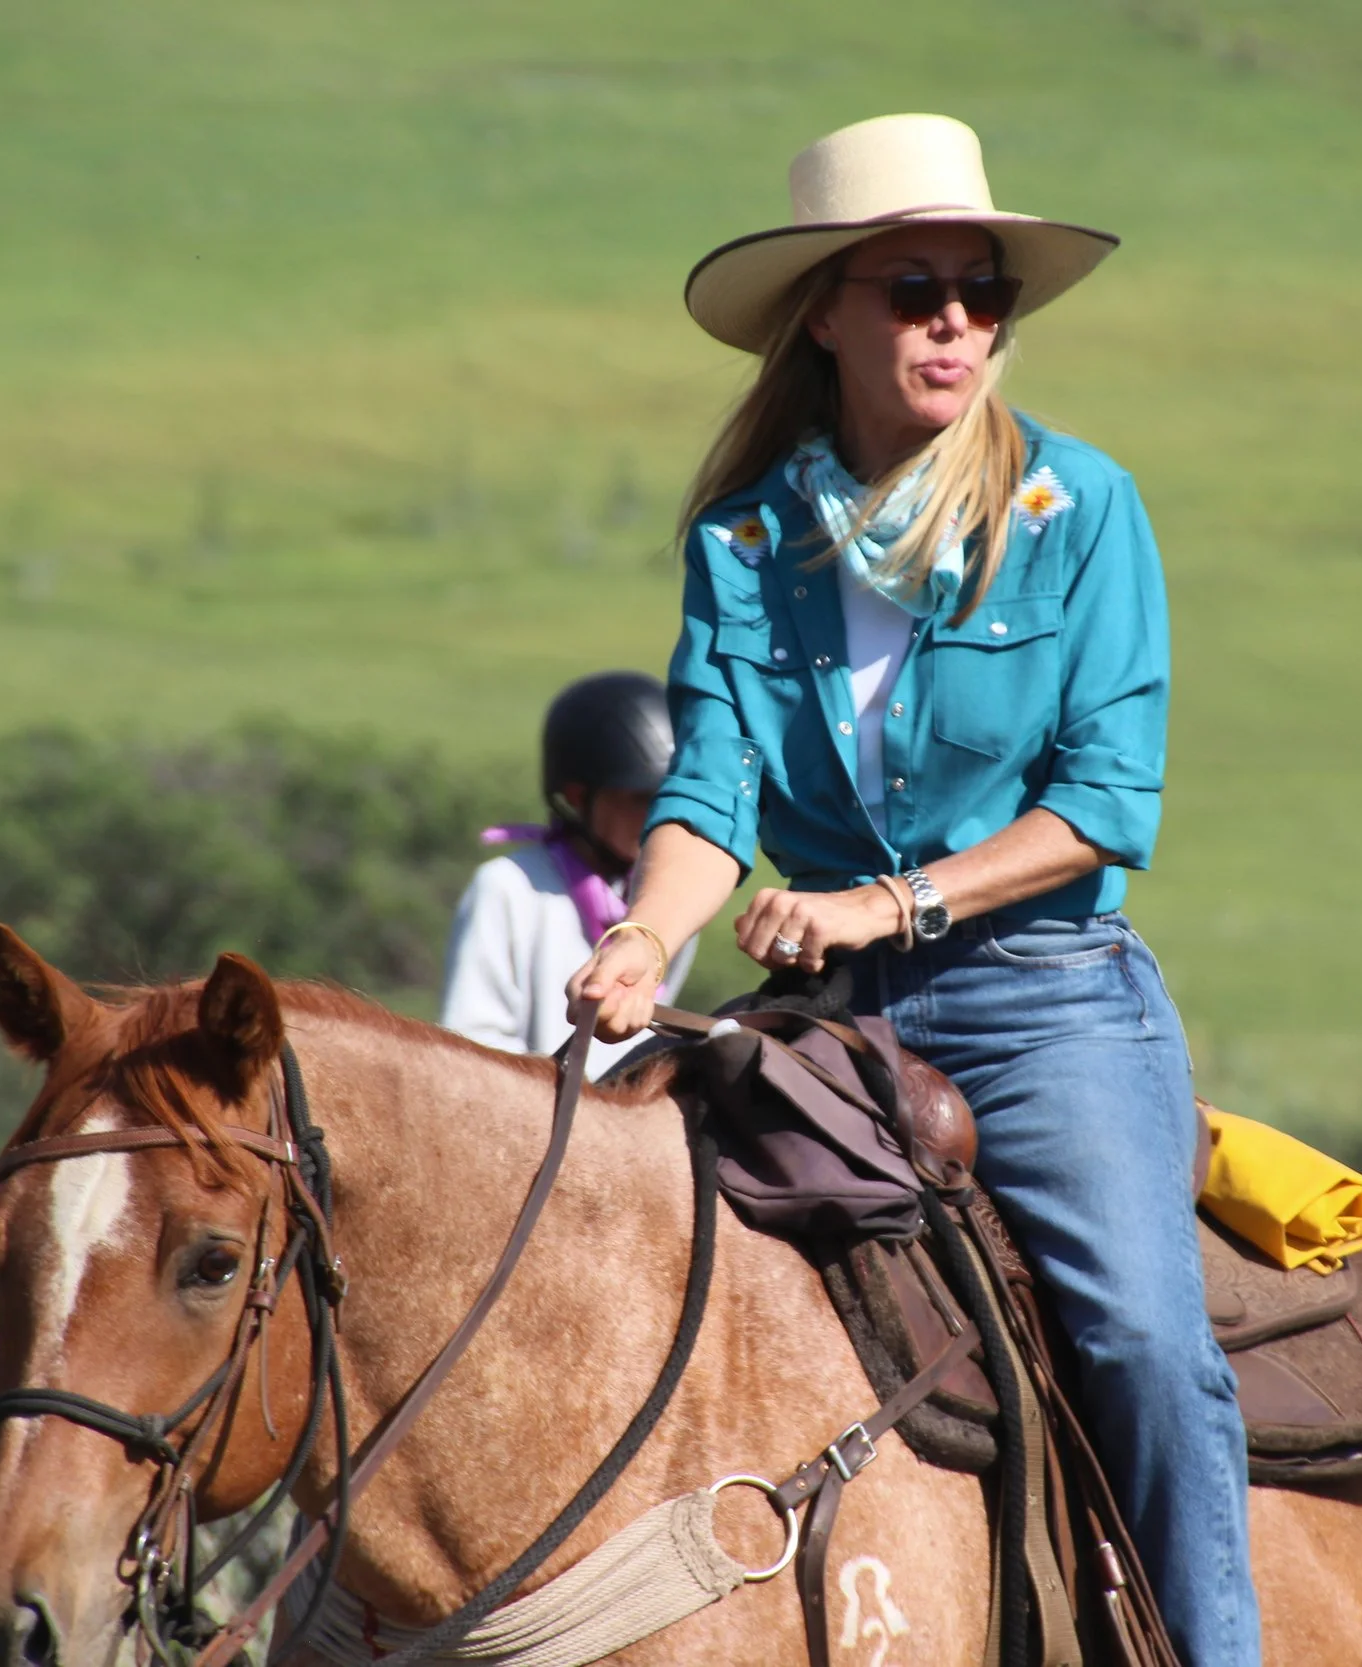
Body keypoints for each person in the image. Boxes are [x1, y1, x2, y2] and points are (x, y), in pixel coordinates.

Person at [569, 114, 1261, 1663]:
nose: (957, 319)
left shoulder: (1082, 512)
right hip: (825, 1018)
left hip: (1043, 1007)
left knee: (1151, 1346)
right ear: (826, 313)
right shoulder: (743, 544)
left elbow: (1102, 801)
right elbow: (711, 792)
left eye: (982, 291)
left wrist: (884, 907)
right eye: (915, 289)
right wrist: (645, 934)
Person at [442, 671, 697, 1076]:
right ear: (580, 797)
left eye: (668, 797)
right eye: (641, 798)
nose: (658, 817)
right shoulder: (508, 887)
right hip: (527, 1122)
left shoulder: (670, 898)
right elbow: (472, 1036)